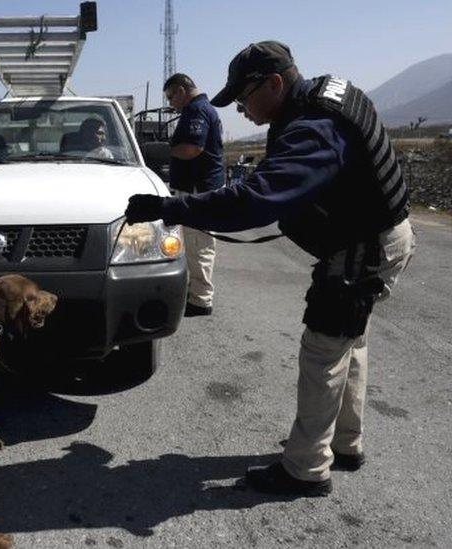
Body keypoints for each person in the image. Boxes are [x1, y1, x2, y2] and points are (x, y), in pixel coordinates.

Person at [125, 41, 415, 497]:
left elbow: (255, 200)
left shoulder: (315, 128)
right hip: (377, 238)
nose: (241, 109)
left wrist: (173, 207)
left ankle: (305, 469)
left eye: (244, 97)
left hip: (363, 250)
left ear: (275, 83)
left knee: (322, 351)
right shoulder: (322, 102)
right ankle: (344, 443)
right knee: (348, 343)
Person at [163, 73, 226, 317]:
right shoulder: (200, 109)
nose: (170, 103)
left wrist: (166, 148)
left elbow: (192, 148)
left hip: (199, 190)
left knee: (199, 246)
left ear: (181, 90)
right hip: (199, 188)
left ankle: (200, 300)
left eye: (171, 97)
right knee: (195, 245)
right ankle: (196, 292)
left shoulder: (196, 110)